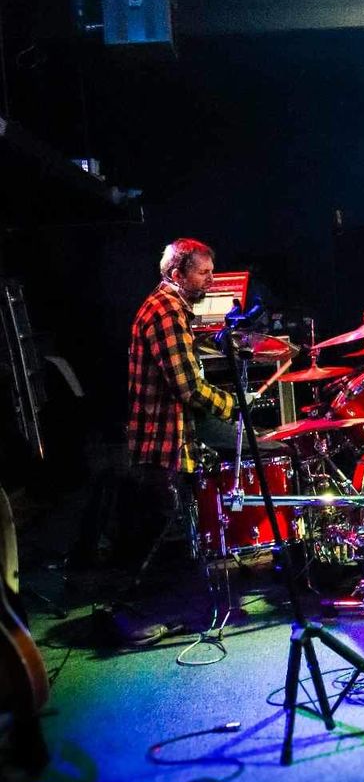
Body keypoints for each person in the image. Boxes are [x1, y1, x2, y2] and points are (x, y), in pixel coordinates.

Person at [115, 238, 238, 640]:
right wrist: (232, 405)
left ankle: (172, 610)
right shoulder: (166, 312)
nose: (210, 281)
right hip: (161, 441)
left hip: (165, 437)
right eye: (203, 273)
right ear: (176, 274)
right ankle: (142, 618)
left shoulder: (168, 306)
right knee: (165, 535)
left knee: (171, 532)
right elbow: (187, 387)